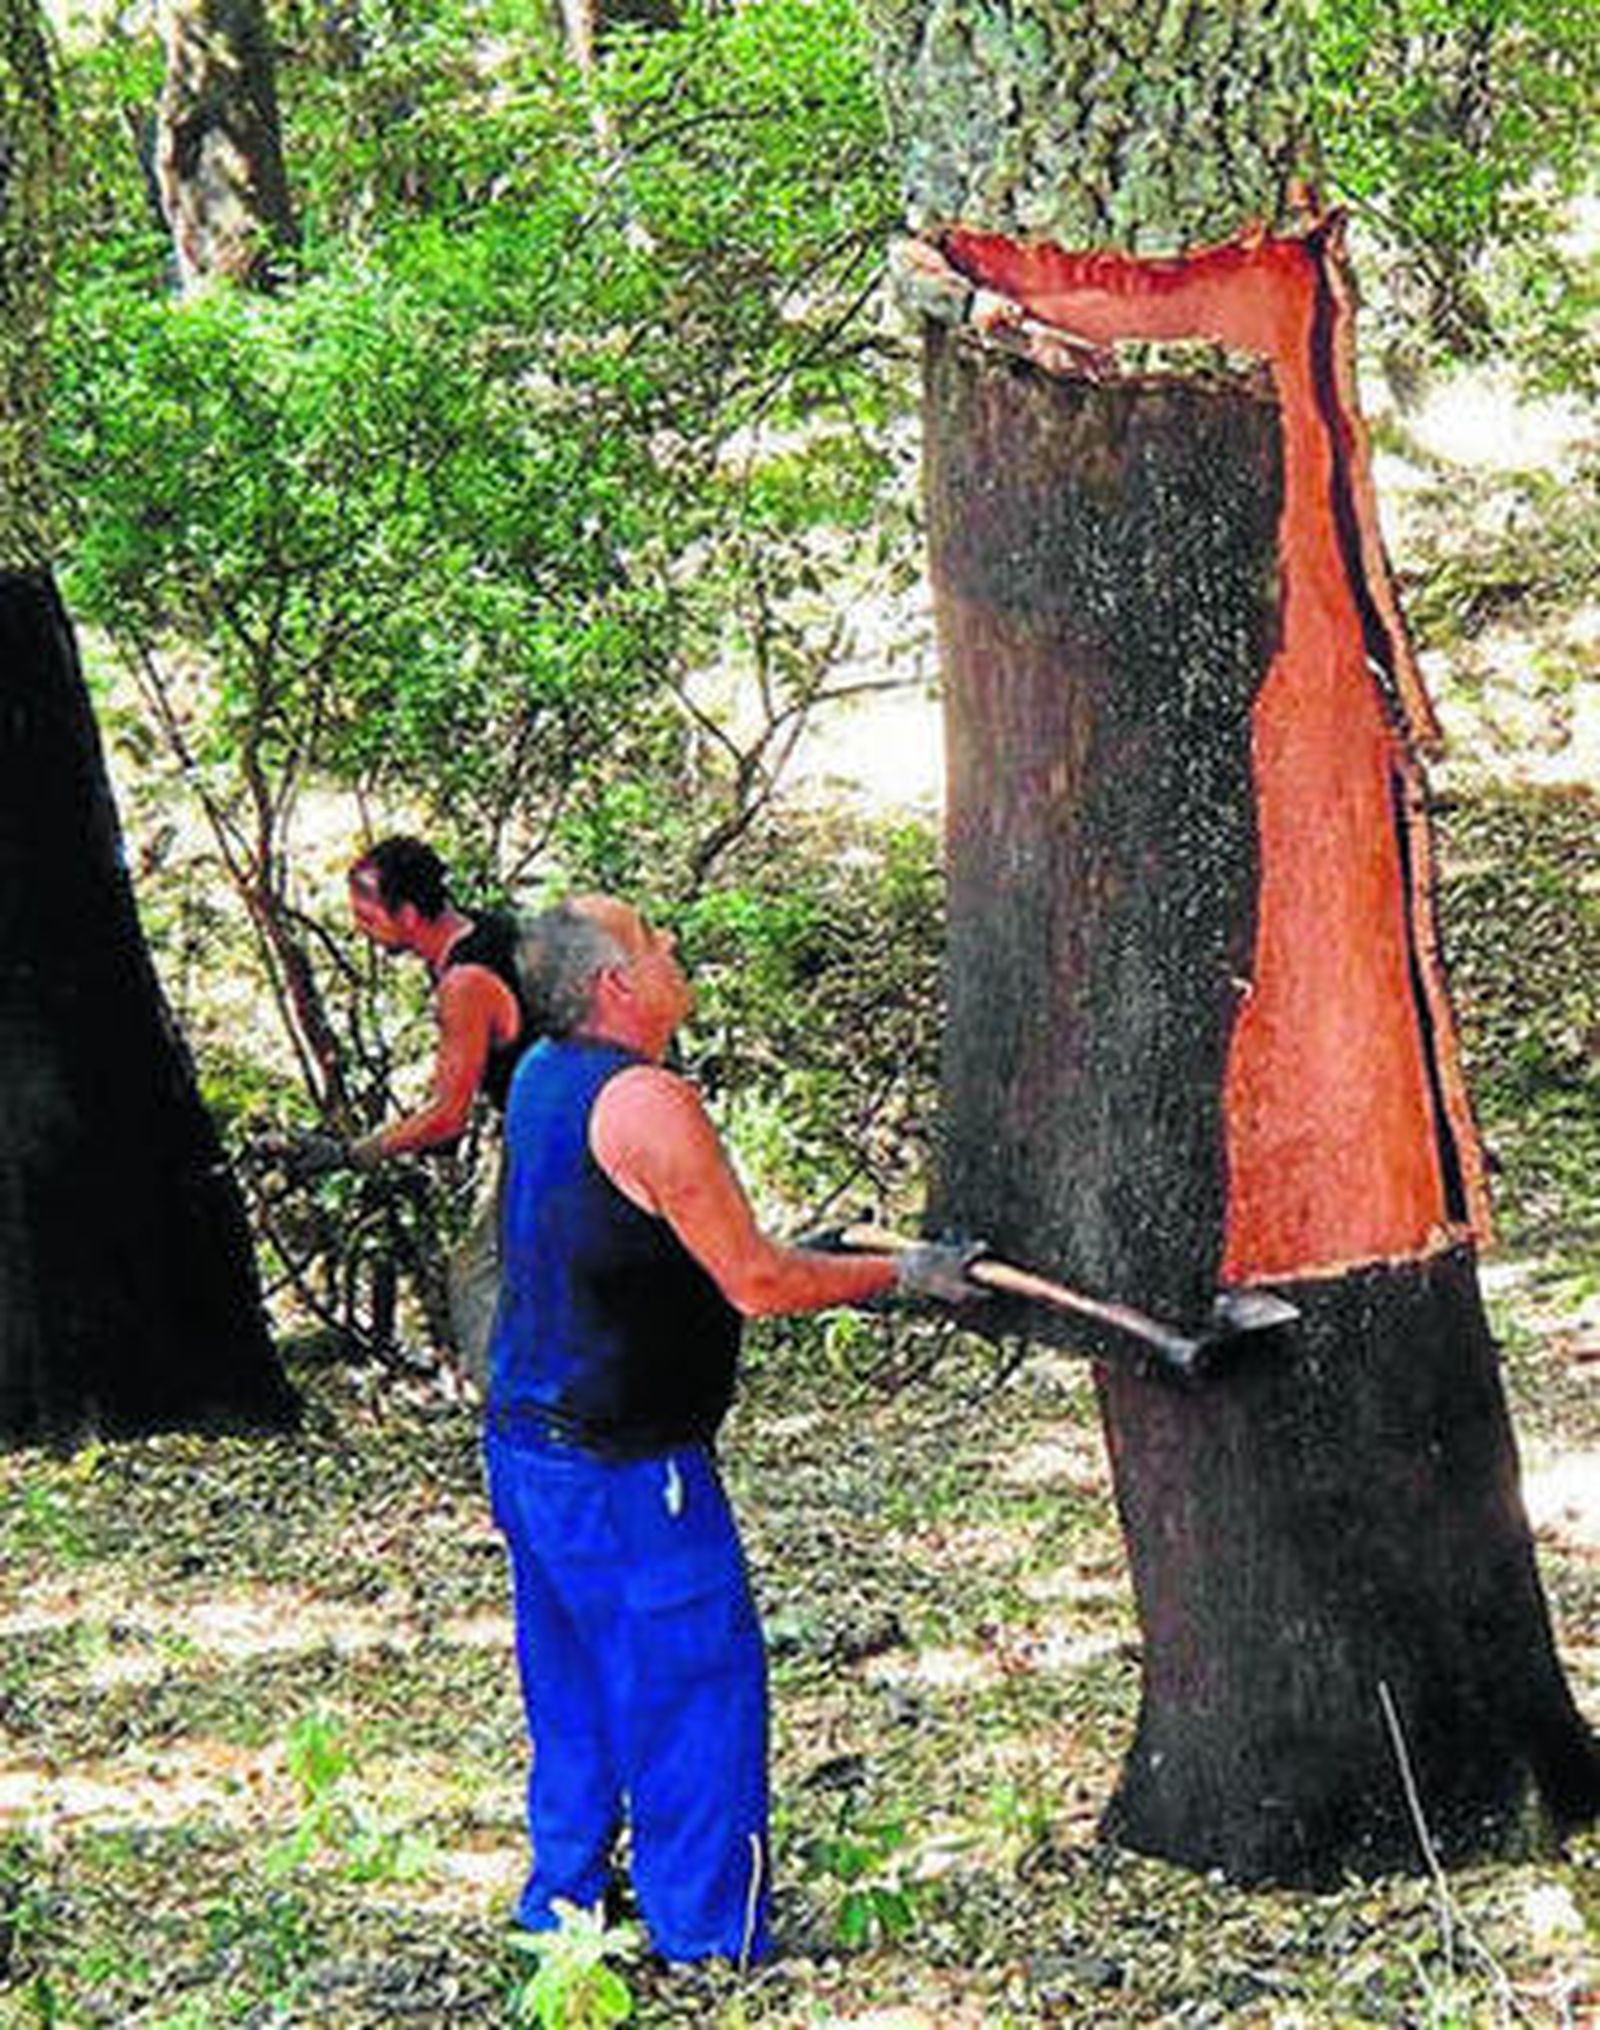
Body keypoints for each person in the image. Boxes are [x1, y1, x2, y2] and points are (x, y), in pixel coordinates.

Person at [487, 891, 981, 1968]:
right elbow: (754, 1279)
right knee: (691, 1682)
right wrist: (902, 1272)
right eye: (654, 943)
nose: (673, 952)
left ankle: (563, 1909)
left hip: (529, 1443)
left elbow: (630, 1239)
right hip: (625, 1461)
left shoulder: (538, 1076)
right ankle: (709, 1929)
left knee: (572, 1679)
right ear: (616, 985)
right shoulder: (647, 1098)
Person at [289, 836, 533, 1380]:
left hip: (559, 1135)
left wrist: (349, 1154)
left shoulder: (465, 981)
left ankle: (520, 1422)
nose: (360, 928)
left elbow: (449, 1117)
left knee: (477, 1273)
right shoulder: (488, 929)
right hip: (568, 1120)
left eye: (368, 915)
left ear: (408, 913)